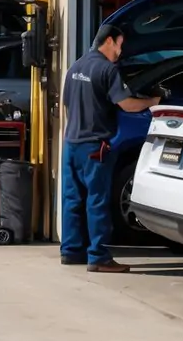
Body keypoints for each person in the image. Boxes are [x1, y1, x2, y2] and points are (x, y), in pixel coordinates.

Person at [61, 22, 161, 273]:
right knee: (97, 201)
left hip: (72, 144)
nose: (120, 51)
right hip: (95, 147)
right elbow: (127, 105)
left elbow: (66, 105)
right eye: (119, 44)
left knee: (72, 199)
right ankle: (99, 257)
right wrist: (154, 101)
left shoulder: (76, 67)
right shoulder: (106, 69)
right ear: (109, 41)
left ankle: (71, 252)